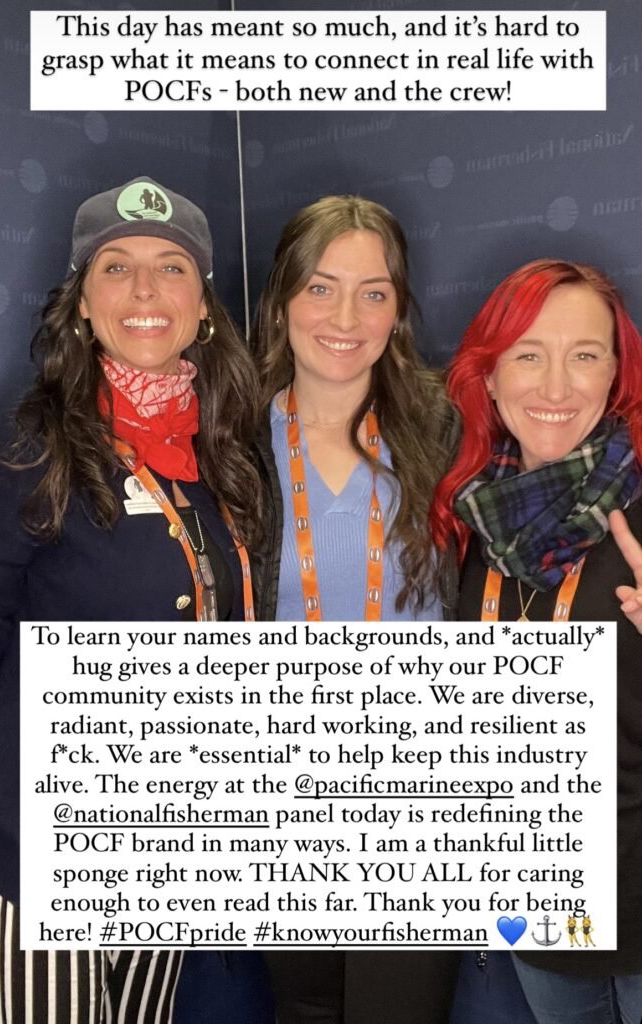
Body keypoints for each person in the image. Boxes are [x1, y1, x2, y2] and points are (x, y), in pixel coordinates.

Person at [0, 177, 275, 1023]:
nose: (145, 292)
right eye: (115, 268)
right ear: (82, 302)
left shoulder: (228, 450)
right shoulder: (29, 449)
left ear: (206, 308)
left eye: (171, 268)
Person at [251, 194, 460, 1024]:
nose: (346, 316)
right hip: (280, 793)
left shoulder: (447, 427)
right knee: (302, 1010)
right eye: (322, 288)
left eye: (374, 292)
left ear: (399, 310)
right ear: (282, 301)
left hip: (418, 794)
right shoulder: (227, 438)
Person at [430, 258, 642, 1024]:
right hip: (543, 907)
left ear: (615, 374)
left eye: (584, 355)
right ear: (488, 377)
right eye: (528, 354)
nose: (555, 387)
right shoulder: (473, 522)